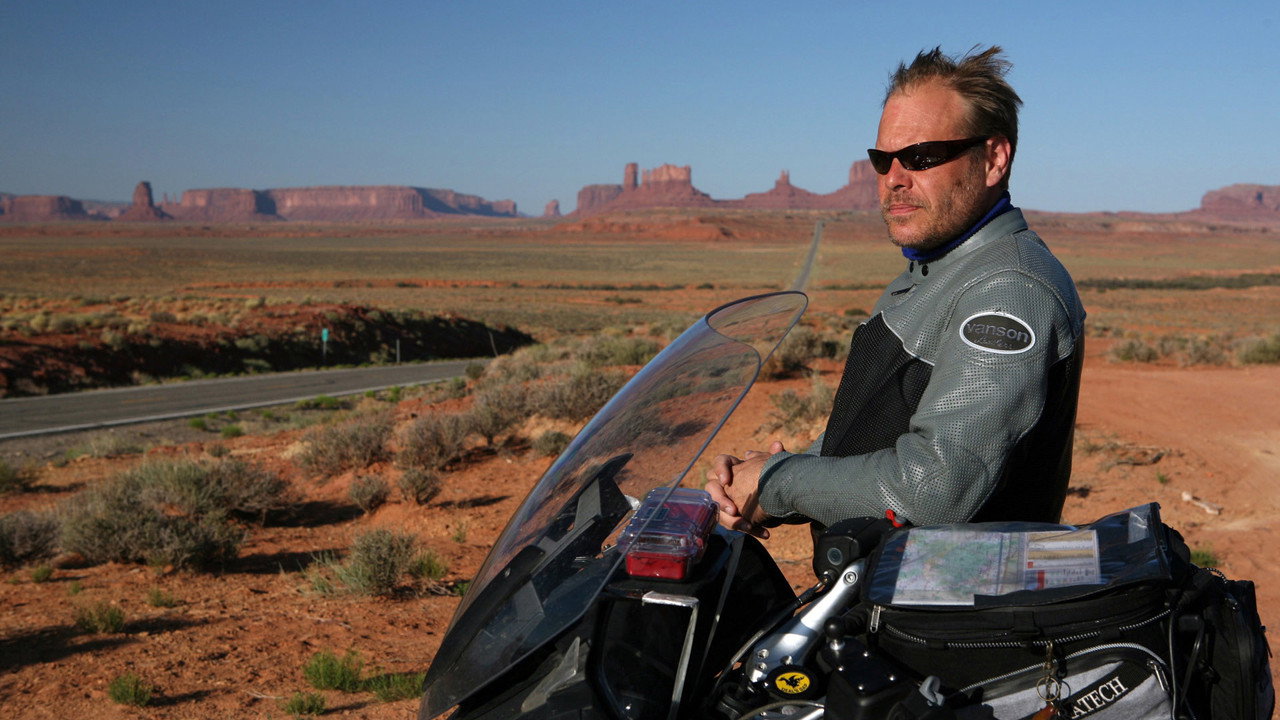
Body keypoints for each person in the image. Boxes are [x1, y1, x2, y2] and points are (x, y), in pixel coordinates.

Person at [706, 46, 1086, 539]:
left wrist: (780, 482)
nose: (894, 180)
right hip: (884, 590)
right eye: (882, 160)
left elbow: (934, 487)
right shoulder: (935, 271)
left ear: (994, 159)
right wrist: (764, 478)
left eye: (922, 157)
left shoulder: (1009, 290)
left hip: (954, 606)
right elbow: (872, 436)